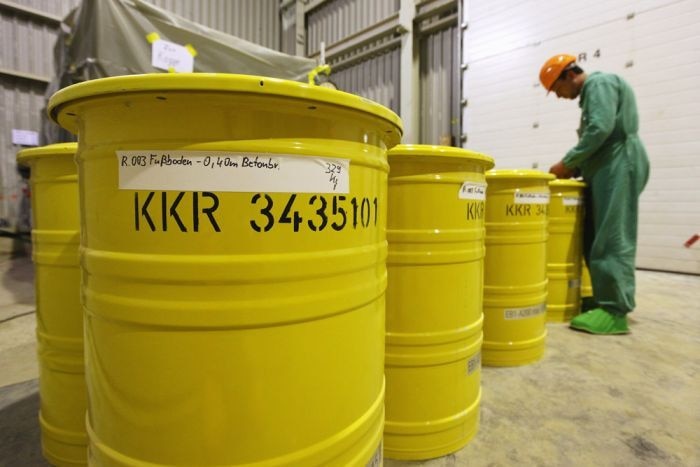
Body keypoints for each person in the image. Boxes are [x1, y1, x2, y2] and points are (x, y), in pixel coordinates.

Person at [539, 54, 650, 335]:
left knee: (612, 236)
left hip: (619, 165)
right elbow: (598, 137)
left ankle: (615, 311)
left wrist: (568, 162)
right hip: (606, 167)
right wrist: (578, 167)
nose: (559, 96)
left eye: (556, 89)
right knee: (595, 235)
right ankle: (602, 299)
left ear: (567, 75)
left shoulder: (598, 84)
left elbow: (600, 129)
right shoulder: (591, 93)